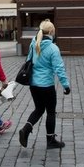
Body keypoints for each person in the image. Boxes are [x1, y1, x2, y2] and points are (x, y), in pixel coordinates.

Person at [18, 19, 70, 149]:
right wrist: (66, 86)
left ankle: (25, 129)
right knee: (51, 112)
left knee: (39, 109)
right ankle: (50, 140)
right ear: (52, 32)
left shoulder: (34, 43)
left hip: (34, 85)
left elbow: (29, 61)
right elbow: (59, 69)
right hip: (46, 85)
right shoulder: (53, 48)